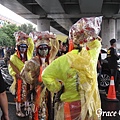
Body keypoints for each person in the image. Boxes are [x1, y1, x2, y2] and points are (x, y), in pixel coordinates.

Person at [42, 16, 102, 120]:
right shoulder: (91, 56)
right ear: (85, 40)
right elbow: (96, 44)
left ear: (71, 41)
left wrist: (57, 86)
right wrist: (92, 36)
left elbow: (45, 75)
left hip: (68, 105)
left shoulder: (62, 60)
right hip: (88, 104)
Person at [20, 31, 59, 120]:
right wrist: (33, 82)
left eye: (46, 48)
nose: (44, 50)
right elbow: (23, 73)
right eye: (41, 48)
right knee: (37, 111)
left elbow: (55, 48)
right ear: (37, 49)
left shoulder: (50, 58)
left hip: (48, 90)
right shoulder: (33, 61)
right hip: (37, 90)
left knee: (48, 110)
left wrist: (54, 38)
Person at [8, 31, 34, 117]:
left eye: (25, 46)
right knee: (18, 94)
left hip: (27, 78)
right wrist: (15, 74)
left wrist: (27, 37)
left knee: (28, 93)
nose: (23, 48)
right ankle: (18, 110)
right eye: (21, 47)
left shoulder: (29, 54)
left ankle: (26, 107)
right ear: (18, 47)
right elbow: (10, 68)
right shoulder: (14, 57)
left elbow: (32, 45)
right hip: (19, 79)